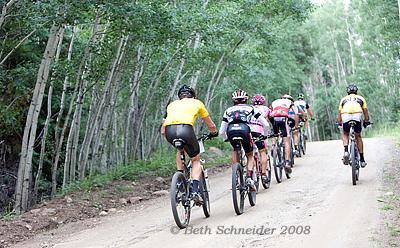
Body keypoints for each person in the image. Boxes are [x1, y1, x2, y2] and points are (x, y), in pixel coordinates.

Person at [161, 85, 218, 203]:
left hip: (169, 131)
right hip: (185, 129)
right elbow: (211, 125)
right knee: (196, 160)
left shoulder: (171, 105)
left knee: (180, 150)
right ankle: (195, 191)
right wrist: (214, 132)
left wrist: (174, 140)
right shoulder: (197, 103)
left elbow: (162, 131)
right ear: (193, 96)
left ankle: (179, 178)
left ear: (179, 97)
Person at [219, 90, 270, 191]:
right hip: (244, 129)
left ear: (233, 100)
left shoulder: (228, 110)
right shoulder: (250, 108)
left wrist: (226, 139)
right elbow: (266, 124)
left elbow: (221, 131)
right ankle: (250, 178)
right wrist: (264, 136)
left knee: (235, 150)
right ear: (246, 99)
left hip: (231, 130)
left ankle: (236, 178)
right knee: (250, 155)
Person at [337, 83, 370, 168]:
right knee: (358, 136)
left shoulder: (343, 99)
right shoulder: (361, 98)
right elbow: (365, 112)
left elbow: (339, 114)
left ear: (347, 93)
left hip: (345, 116)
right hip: (357, 115)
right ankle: (362, 160)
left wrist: (340, 122)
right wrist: (366, 121)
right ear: (356, 92)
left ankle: (346, 151)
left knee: (345, 134)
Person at [269, 94, 299, 174]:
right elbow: (296, 113)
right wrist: (296, 125)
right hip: (283, 118)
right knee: (286, 141)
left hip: (274, 118)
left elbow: (269, 113)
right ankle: (287, 163)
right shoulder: (290, 102)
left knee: (274, 133)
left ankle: (273, 145)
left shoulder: (274, 102)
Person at [249, 94, 272, 184]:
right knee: (262, 151)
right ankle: (263, 174)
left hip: (248, 130)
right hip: (259, 130)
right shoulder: (266, 109)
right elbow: (268, 121)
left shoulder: (249, 108)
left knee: (248, 152)